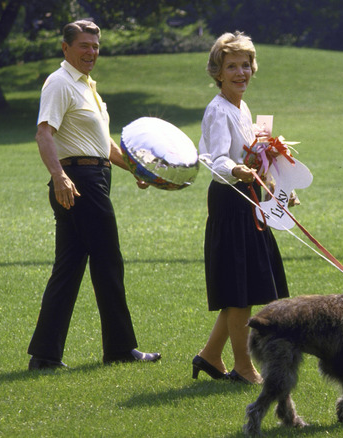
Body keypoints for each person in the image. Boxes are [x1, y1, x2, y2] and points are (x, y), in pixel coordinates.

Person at [27, 20, 161, 370]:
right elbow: (44, 134)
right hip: (78, 180)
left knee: (69, 267)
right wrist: (59, 176)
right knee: (108, 261)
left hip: (91, 176)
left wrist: (137, 169)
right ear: (65, 48)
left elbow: (105, 146)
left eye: (96, 47)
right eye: (84, 46)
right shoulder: (60, 83)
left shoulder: (88, 87)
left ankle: (44, 356)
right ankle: (120, 348)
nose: (91, 53)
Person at [192, 31, 289, 385]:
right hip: (230, 203)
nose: (240, 72)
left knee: (242, 289)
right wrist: (236, 170)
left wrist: (277, 189)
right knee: (239, 295)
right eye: (231, 66)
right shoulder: (217, 111)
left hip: (248, 200)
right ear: (218, 72)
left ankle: (209, 356)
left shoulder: (243, 108)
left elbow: (257, 159)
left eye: (245, 65)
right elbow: (214, 159)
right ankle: (243, 367)